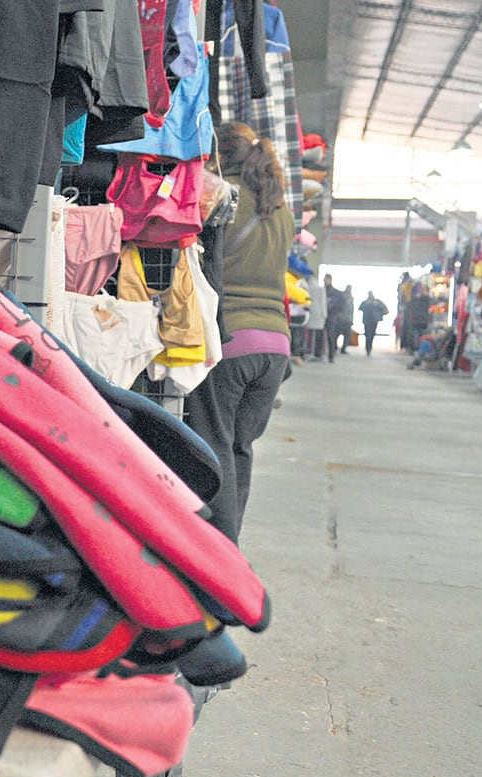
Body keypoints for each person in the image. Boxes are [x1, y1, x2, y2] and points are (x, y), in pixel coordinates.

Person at [184, 121, 294, 545]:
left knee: (215, 447)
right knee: (240, 448)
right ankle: (229, 544)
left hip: (233, 339)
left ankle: (217, 554)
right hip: (276, 346)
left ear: (219, 153)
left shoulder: (218, 194)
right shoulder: (279, 207)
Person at [323, 274, 348, 363]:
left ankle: (331, 354)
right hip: (325, 316)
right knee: (322, 335)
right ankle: (322, 353)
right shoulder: (323, 291)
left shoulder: (336, 293)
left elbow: (342, 305)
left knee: (331, 336)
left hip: (331, 316)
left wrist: (337, 313)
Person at [358, 291, 389, 356]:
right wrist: (366, 304)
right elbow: (360, 308)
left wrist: (378, 307)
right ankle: (368, 348)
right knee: (367, 334)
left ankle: (369, 348)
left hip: (374, 321)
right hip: (367, 321)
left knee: (371, 334)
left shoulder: (377, 302)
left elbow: (385, 310)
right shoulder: (365, 302)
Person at [304, 272, 327, 360]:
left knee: (310, 334)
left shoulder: (307, 288)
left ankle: (310, 351)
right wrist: (324, 314)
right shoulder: (321, 289)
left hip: (310, 311)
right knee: (318, 334)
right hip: (319, 312)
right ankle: (317, 352)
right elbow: (323, 302)